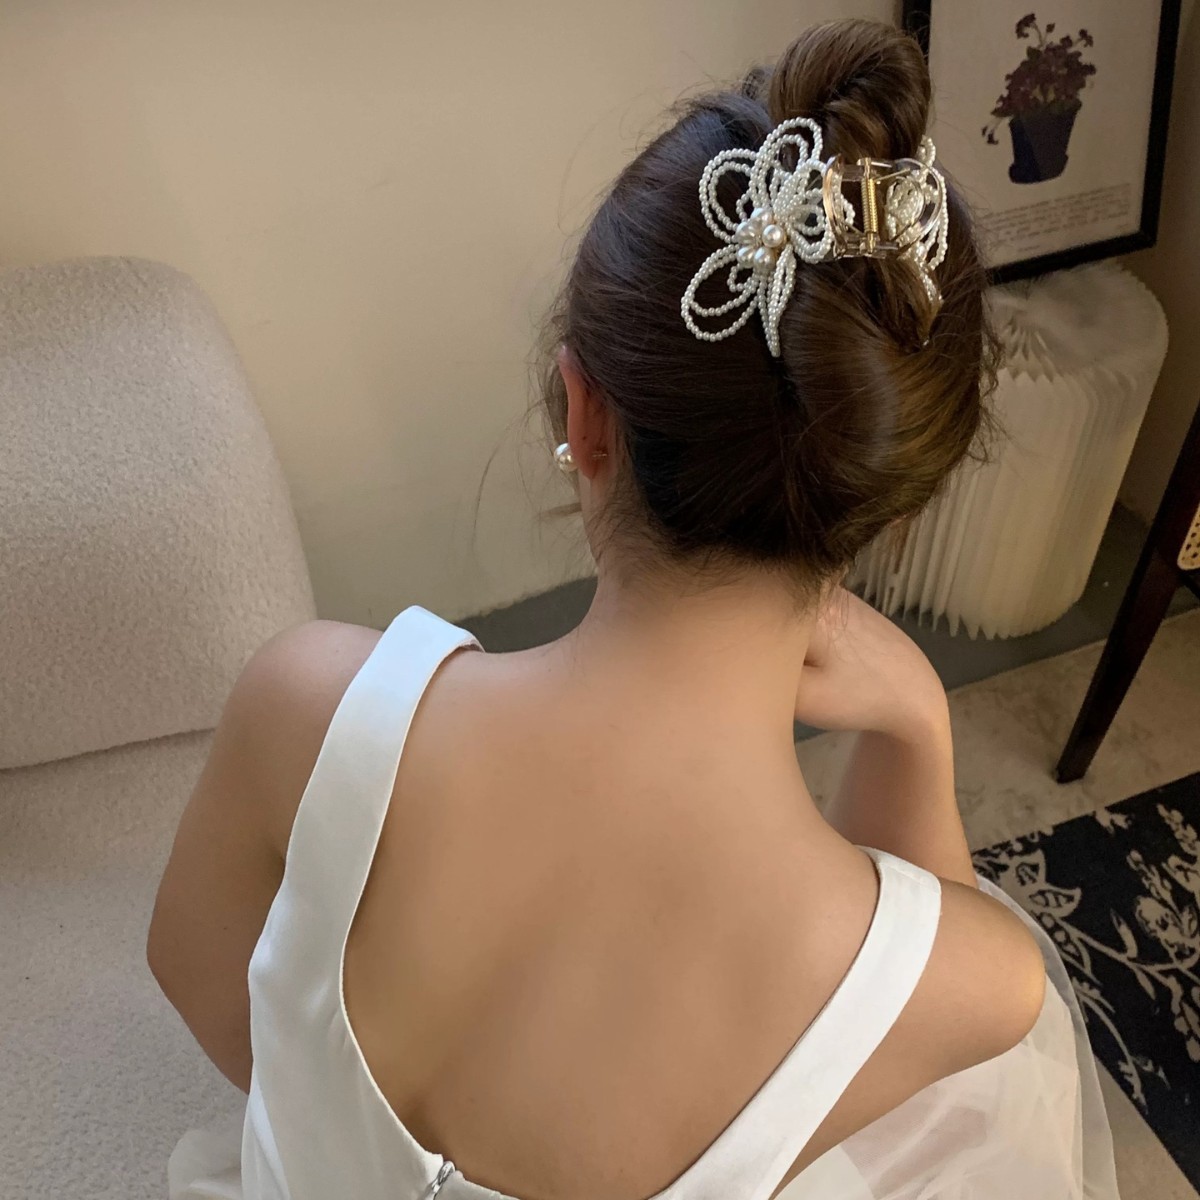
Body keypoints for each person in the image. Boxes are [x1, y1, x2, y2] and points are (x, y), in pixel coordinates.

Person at [149, 17, 1120, 1200]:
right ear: (890, 495)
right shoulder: (970, 980)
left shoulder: (305, 702)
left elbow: (195, 967)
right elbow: (922, 982)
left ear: (583, 414)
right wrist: (917, 722)